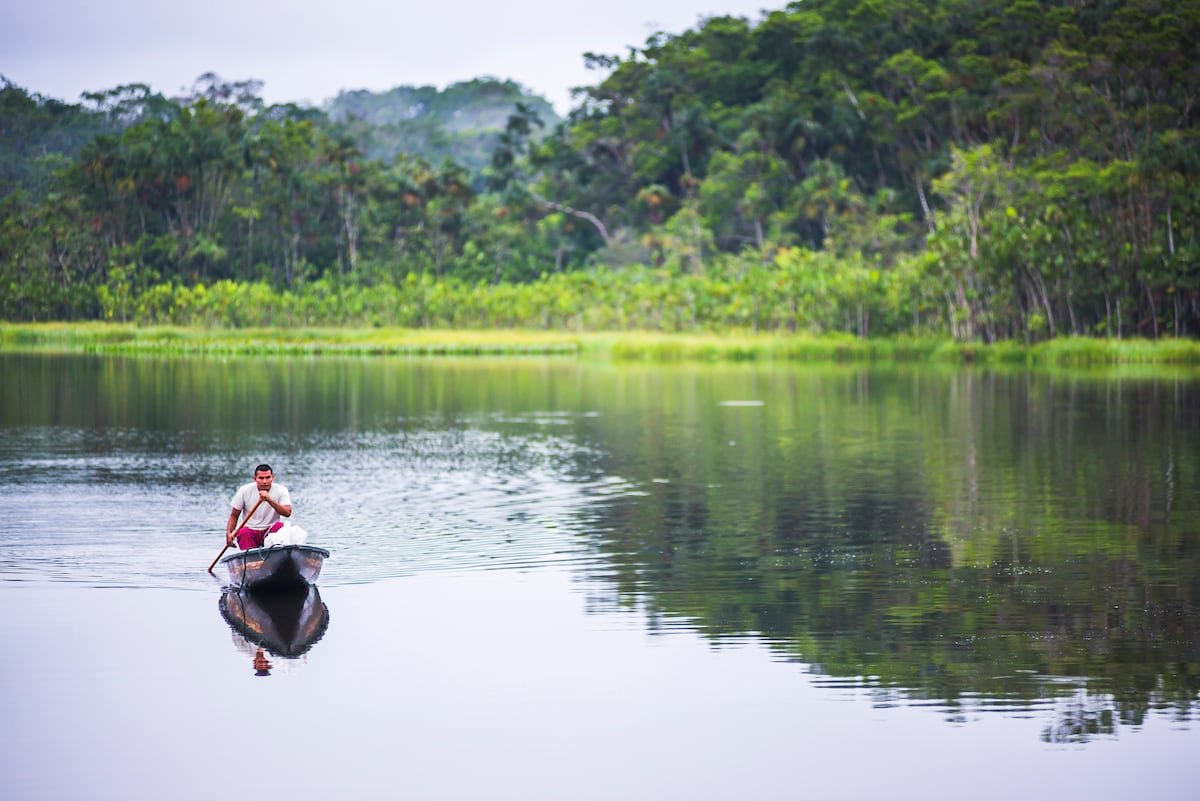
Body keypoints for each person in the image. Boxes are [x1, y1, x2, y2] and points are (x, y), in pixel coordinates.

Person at [226, 463, 293, 550]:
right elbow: (234, 515)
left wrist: (269, 500)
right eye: (261, 478)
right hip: (250, 531)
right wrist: (229, 533)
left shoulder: (281, 490)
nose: (265, 481)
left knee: (280, 526)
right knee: (242, 531)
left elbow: (287, 513)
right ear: (255, 479)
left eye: (268, 477)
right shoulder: (244, 490)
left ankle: (276, 554)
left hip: (270, 531)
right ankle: (251, 559)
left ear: (273, 477)